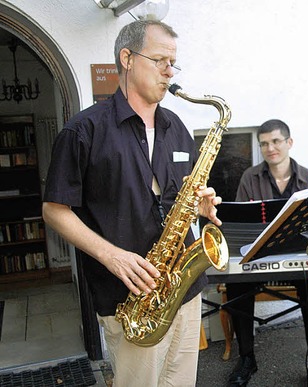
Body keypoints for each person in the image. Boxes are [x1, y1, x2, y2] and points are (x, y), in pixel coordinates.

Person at [42, 20, 222, 386]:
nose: (170, 72)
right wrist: (112, 255)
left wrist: (200, 207)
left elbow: (177, 197)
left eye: (173, 62)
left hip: (183, 290)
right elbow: (54, 210)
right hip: (130, 300)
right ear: (127, 58)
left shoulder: (177, 128)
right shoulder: (83, 131)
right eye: (160, 60)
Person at [226, 119, 308, 387]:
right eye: (264, 143)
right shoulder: (250, 177)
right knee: (235, 285)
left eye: (275, 141)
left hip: (299, 257)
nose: (270, 148)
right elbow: (240, 222)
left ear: (289, 143)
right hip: (259, 256)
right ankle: (247, 357)